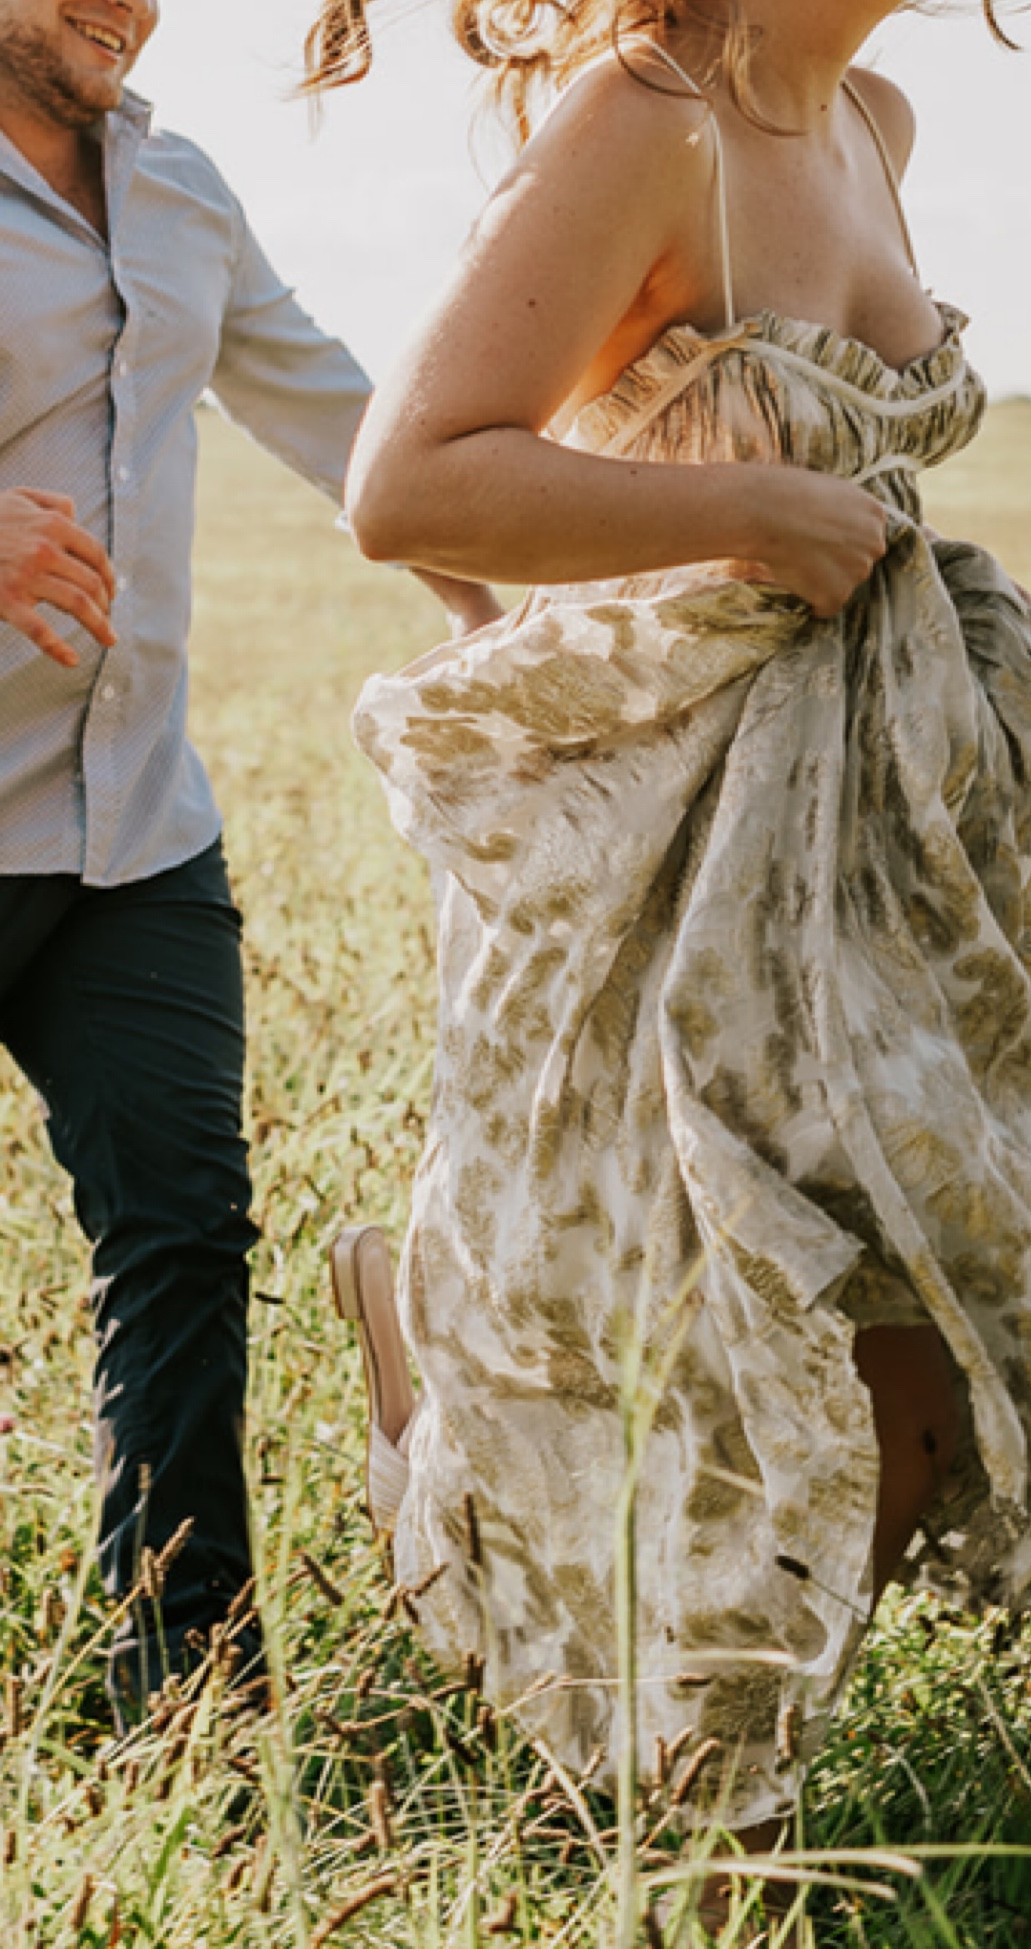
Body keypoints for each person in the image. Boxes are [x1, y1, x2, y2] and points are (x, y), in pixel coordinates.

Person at [311, 0, 1031, 1857]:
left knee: (937, 1312)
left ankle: (701, 1742)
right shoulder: (646, 115)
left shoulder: (874, 121)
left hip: (869, 832)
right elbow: (408, 481)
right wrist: (747, 509)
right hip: (662, 840)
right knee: (670, 1341)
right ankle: (697, 1833)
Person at [0, 0, 499, 1718]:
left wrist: (532, 627)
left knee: (185, 1241)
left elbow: (355, 431)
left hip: (130, 835)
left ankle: (189, 1698)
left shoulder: (185, 192)